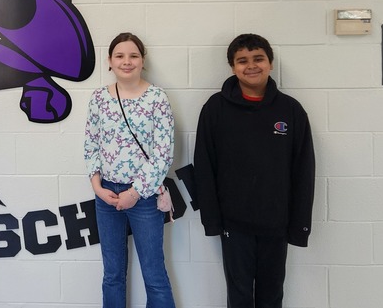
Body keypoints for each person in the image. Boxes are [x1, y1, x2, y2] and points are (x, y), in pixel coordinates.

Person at [193, 33, 315, 308]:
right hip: (233, 225)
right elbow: (204, 166)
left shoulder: (291, 111)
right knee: (239, 297)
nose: (251, 66)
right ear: (233, 67)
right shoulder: (215, 109)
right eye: (242, 60)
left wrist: (299, 226)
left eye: (258, 58)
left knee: (272, 296)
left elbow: (303, 172)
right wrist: (211, 221)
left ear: (270, 63)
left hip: (276, 224)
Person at [84, 32, 176, 308]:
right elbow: (91, 143)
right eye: (120, 56)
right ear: (109, 62)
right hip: (106, 196)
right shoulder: (99, 98)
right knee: (112, 274)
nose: (127, 61)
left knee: (154, 274)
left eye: (133, 55)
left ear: (143, 61)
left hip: (144, 197)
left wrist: (135, 193)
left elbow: (163, 152)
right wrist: (97, 186)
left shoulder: (157, 98)